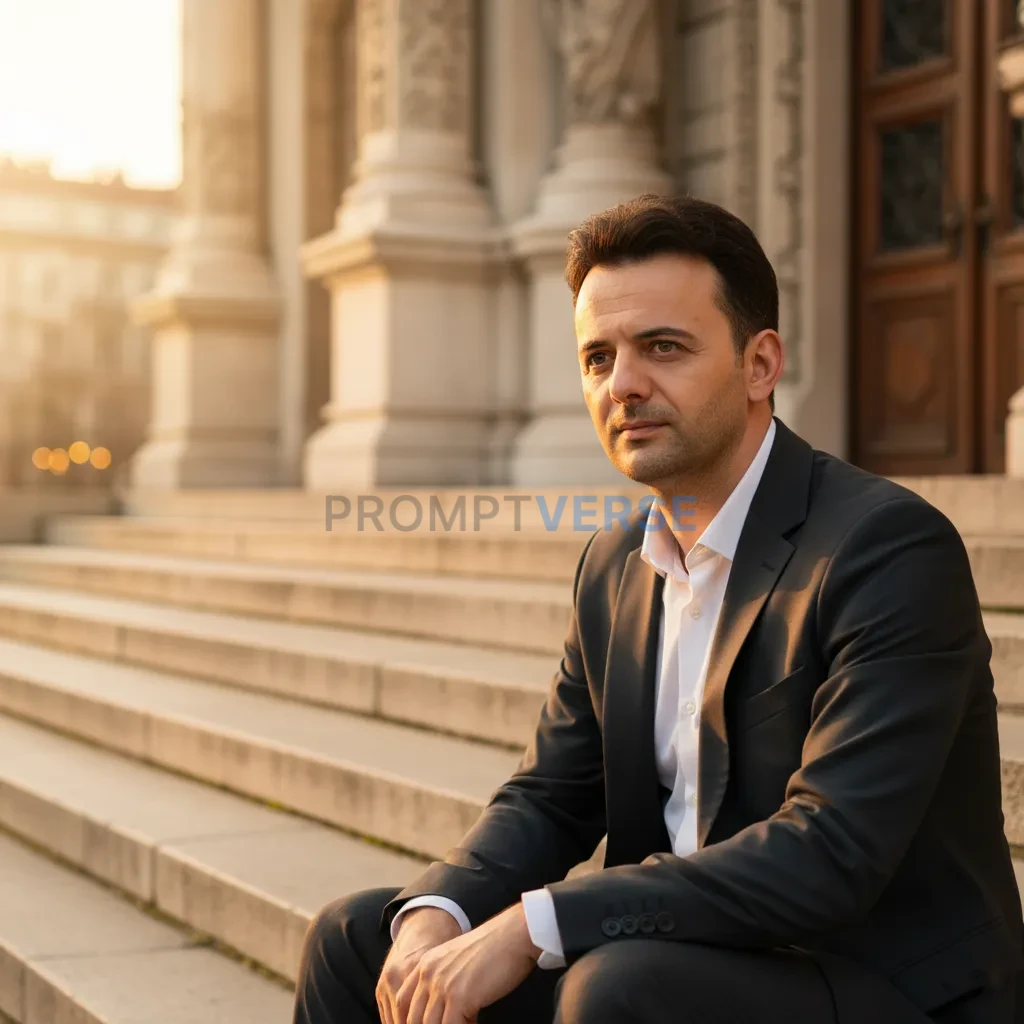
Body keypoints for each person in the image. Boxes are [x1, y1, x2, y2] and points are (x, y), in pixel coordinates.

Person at [291, 194, 1023, 1023]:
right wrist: (442, 910)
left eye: (663, 348)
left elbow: (832, 851)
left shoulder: (885, 548)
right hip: (674, 960)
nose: (624, 385)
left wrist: (537, 925)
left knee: (617, 987)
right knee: (356, 941)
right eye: (598, 358)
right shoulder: (614, 565)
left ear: (760, 364)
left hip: (874, 983)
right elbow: (551, 795)